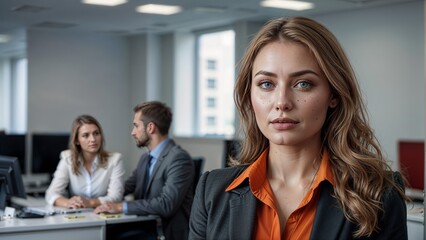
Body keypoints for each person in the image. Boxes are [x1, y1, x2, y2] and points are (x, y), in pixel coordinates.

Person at [188, 16, 408, 239]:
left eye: (303, 84)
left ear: (333, 94)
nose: (282, 102)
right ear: (249, 96)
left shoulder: (379, 194)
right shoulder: (212, 190)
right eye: (266, 84)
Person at [94, 101, 194, 240]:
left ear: (151, 127)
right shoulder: (145, 158)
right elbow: (126, 187)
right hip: (145, 226)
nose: (132, 132)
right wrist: (90, 199)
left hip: (166, 233)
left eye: (136, 126)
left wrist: (120, 207)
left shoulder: (179, 159)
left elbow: (166, 204)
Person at [45, 114, 125, 209]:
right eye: (85, 135)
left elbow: (116, 197)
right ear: (77, 141)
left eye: (96, 133)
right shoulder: (67, 158)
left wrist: (91, 203)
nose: (93, 139)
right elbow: (51, 194)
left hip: (104, 215)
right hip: (77, 215)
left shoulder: (115, 160)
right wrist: (68, 203)